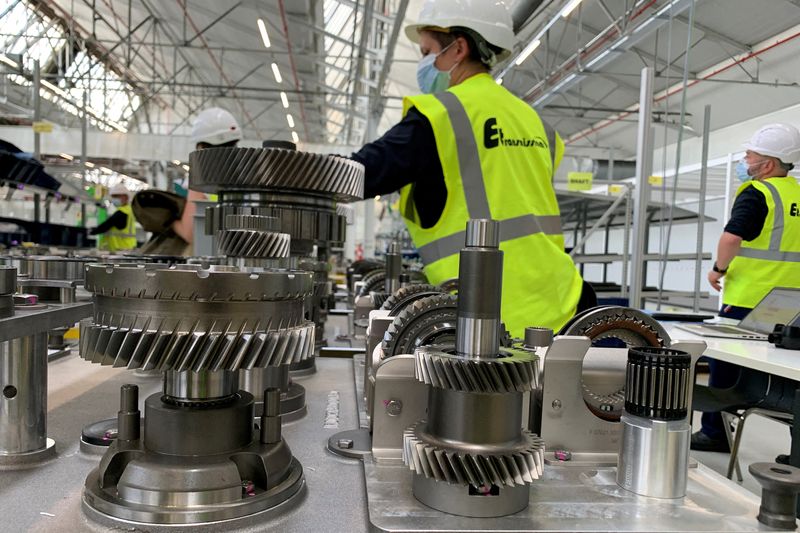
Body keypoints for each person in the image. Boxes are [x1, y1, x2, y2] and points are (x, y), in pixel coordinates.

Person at [350, 0, 590, 336]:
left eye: (427, 52)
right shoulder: (535, 123)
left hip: (485, 315)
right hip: (564, 303)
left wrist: (287, 179)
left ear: (458, 48)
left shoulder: (441, 115)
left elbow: (360, 174)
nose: (424, 64)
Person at [693, 123, 800, 453]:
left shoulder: (759, 192)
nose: (745, 160)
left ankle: (716, 433)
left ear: (767, 164)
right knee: (790, 377)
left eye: (750, 155)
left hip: (750, 300)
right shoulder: (797, 194)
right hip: (793, 304)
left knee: (726, 367)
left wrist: (718, 269)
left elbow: (732, 237)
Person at [171, 107, 243, 250]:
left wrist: (169, 222)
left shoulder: (203, 178)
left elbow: (189, 233)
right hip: (241, 257)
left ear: (202, 146)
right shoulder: (245, 175)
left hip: (211, 260)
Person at [90, 183, 137, 252]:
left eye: (116, 196)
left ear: (126, 197)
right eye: (113, 197)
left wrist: (90, 232)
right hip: (126, 248)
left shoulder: (122, 212)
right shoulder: (129, 210)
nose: (114, 199)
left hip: (120, 249)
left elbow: (106, 225)